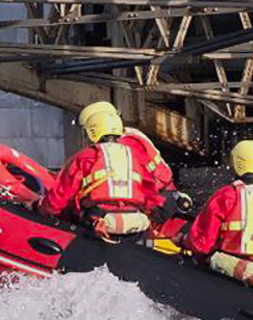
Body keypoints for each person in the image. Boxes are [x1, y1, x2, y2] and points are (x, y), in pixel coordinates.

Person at [37, 101, 184, 237]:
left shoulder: (97, 154)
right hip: (160, 202)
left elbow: (61, 195)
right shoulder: (133, 144)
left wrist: (42, 210)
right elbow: (147, 182)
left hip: (144, 207)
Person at [180, 140, 253, 289]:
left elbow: (202, 242)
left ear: (238, 163)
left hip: (231, 273)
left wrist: (183, 241)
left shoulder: (227, 195)